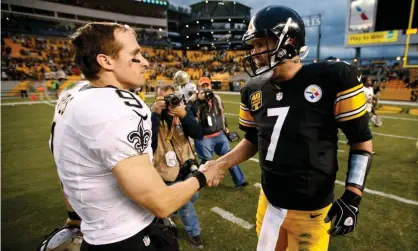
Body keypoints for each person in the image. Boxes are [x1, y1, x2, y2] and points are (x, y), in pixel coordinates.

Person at [203, 6, 373, 251]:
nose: (255, 53)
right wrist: (221, 164)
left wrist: (353, 194)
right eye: (253, 46)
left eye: (261, 44)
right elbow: (253, 139)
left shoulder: (334, 77)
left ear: (289, 42)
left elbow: (361, 141)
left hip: (312, 212)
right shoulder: (252, 89)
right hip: (269, 203)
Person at [48, 22, 223, 251]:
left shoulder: (72, 94)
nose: (145, 62)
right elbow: (162, 203)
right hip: (127, 238)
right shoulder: (117, 106)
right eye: (135, 55)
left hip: (96, 235)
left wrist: (74, 218)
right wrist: (203, 175)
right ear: (106, 61)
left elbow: (67, 168)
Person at [151, 83, 204, 249]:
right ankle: (194, 233)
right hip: (166, 169)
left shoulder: (182, 112)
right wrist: (154, 116)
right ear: (156, 99)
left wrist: (184, 115)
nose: (169, 103)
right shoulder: (150, 116)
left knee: (191, 197)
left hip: (187, 166)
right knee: (185, 203)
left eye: (171, 98)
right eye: (164, 99)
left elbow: (198, 133)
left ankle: (171, 209)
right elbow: (148, 145)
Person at [191, 77, 248, 189]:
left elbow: (222, 113)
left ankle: (240, 181)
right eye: (203, 86)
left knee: (230, 156)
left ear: (211, 86)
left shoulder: (216, 98)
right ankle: (199, 181)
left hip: (219, 134)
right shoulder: (194, 101)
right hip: (204, 137)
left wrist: (225, 127)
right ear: (199, 87)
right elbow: (191, 115)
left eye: (207, 85)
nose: (206, 88)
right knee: (206, 161)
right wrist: (198, 100)